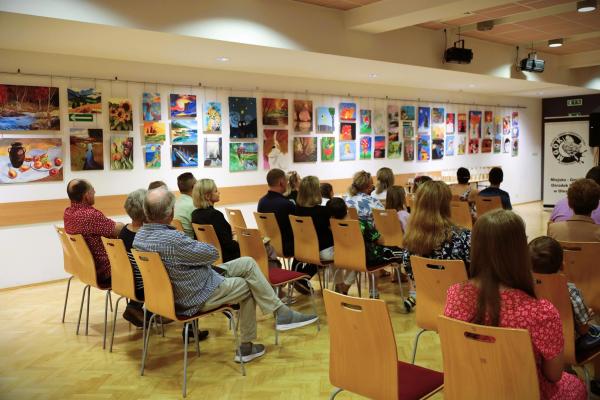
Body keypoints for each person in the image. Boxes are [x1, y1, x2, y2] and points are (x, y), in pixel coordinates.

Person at [133, 187, 319, 363]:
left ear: (147, 212)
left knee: (247, 262)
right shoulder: (172, 239)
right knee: (248, 285)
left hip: (174, 293)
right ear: (170, 213)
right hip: (196, 295)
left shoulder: (139, 237)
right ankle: (247, 346)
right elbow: (211, 254)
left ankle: (281, 313)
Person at [444, 210, 587, 400]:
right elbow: (554, 375)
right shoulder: (541, 312)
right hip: (525, 393)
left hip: (472, 388)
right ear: (520, 251)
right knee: (578, 386)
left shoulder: (454, 295)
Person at [402, 181, 471, 312]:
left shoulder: (410, 243)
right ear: (446, 205)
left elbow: (411, 275)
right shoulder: (464, 238)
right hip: (461, 310)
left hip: (428, 309)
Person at [529, 236, 600, 358]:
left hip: (537, 346)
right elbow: (583, 330)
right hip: (569, 347)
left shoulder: (525, 288)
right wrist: (586, 316)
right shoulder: (571, 292)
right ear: (562, 266)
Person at [328, 197, 400, 297]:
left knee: (363, 254)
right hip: (363, 259)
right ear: (346, 207)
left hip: (341, 256)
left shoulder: (331, 226)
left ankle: (342, 287)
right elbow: (380, 240)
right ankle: (373, 291)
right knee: (394, 252)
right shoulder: (361, 224)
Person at [63, 179, 124, 286]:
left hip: (86, 269)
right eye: (92, 190)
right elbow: (118, 231)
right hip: (106, 272)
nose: (95, 191)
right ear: (86, 195)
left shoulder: (68, 213)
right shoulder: (90, 215)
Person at [191, 179, 240, 262]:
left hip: (208, 259)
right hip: (226, 259)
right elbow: (230, 246)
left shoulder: (195, 214)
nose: (219, 193)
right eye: (216, 191)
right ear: (207, 196)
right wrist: (236, 237)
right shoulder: (215, 215)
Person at [118, 189, 147, 327]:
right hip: (144, 287)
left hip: (127, 283)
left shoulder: (124, 231)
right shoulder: (144, 237)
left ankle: (136, 307)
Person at [257, 168, 295, 259]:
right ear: (281, 182)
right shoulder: (287, 204)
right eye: (286, 181)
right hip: (287, 247)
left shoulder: (261, 202)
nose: (287, 183)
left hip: (268, 244)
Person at [294, 176, 333, 262]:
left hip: (304, 249)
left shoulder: (296, 210)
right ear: (316, 191)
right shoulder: (323, 211)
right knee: (352, 250)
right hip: (324, 251)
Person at [174, 172, 197, 238]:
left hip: (177, 240)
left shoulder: (175, 203)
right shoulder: (194, 205)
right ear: (195, 186)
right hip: (190, 241)